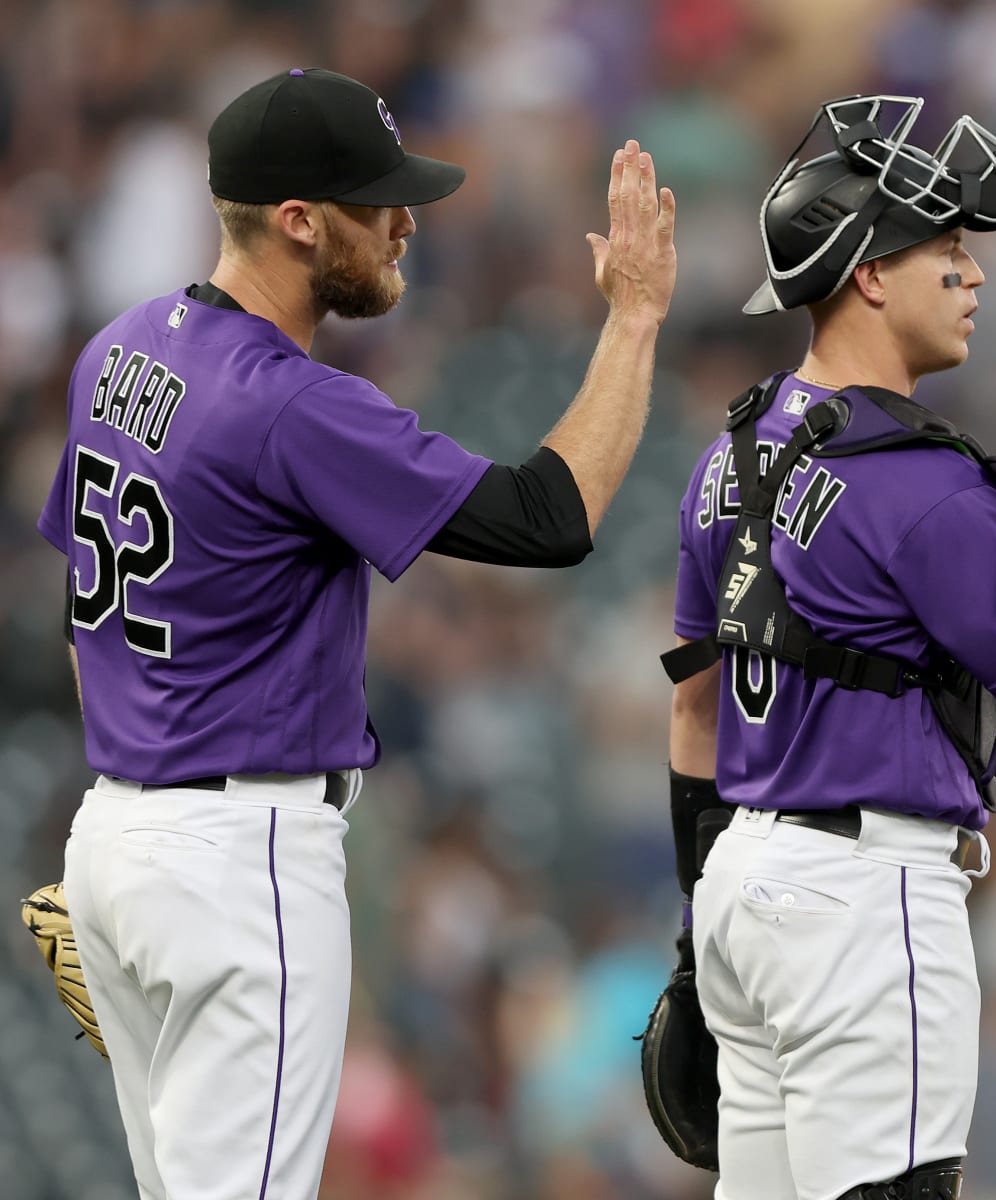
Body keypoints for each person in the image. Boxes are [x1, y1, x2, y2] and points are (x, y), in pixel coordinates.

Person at [34, 67, 676, 1199]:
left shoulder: (117, 350)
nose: (403, 224)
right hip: (237, 867)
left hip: (115, 851)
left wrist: (136, 823)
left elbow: (80, 624)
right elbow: (550, 516)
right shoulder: (288, 401)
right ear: (297, 220)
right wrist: (633, 319)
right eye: (377, 201)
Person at [663, 95, 996, 1199]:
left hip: (743, 879)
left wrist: (704, 914)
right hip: (862, 892)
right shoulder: (918, 483)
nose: (974, 276)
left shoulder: (728, 456)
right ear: (870, 275)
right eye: (948, 250)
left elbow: (694, 708)